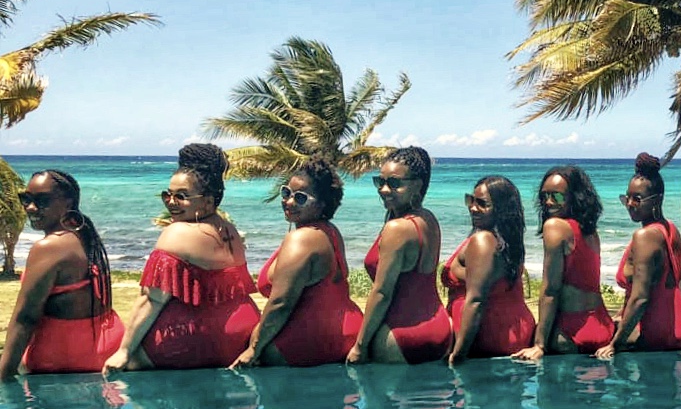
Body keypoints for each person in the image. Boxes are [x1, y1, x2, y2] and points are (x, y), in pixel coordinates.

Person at [103, 144, 260, 372]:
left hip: (196, 338)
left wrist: (124, 352)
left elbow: (153, 300)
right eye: (167, 194)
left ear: (207, 201)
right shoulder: (229, 230)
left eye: (181, 196)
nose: (170, 202)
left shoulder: (177, 233)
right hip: (241, 334)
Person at [231, 158, 362, 368]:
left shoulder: (301, 239)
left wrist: (253, 350)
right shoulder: (330, 231)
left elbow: (280, 303)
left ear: (321, 204)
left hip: (305, 343)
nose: (289, 201)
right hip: (344, 334)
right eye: (286, 193)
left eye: (300, 198)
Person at [0, 170, 124, 379]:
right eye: (26, 198)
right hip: (108, 345)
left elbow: (26, 318)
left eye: (42, 200)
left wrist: (3, 376)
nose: (30, 207)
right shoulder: (83, 234)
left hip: (66, 355)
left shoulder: (49, 247)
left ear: (68, 203)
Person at [347, 146, 452, 365]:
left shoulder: (397, 228)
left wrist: (360, 345)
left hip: (400, 332)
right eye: (380, 181)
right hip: (439, 328)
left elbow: (382, 293)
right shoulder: (429, 219)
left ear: (417, 185)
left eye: (394, 183)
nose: (384, 189)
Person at [511, 165, 613, 359]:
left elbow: (550, 290)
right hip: (601, 324)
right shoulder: (590, 232)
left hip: (570, 330)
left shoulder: (555, 227)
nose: (549, 202)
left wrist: (539, 345)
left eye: (557, 196)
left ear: (575, 197)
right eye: (544, 197)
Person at [595, 153, 681, 359]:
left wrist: (614, 344)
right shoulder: (670, 228)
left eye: (637, 199)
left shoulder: (645, 236)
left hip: (655, 331)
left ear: (657, 200)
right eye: (626, 198)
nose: (629, 203)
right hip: (676, 325)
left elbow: (641, 299)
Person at [441, 175, 536, 364]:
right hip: (512, 330)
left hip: (487, 336)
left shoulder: (483, 241)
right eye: (471, 200)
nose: (473, 208)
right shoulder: (507, 241)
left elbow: (476, 300)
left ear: (501, 210)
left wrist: (458, 355)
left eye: (482, 204)